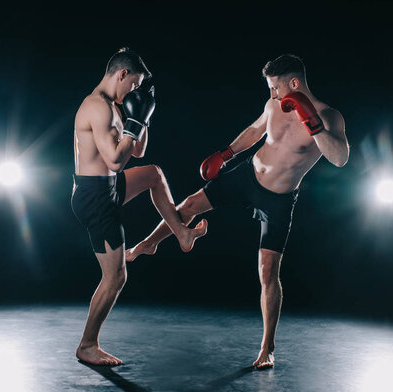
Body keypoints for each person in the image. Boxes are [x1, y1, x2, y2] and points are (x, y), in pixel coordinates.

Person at [125, 53, 349, 368]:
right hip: (247, 176)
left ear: (294, 83)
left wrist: (311, 122)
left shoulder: (328, 116)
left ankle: (267, 349)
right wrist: (227, 153)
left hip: (279, 199)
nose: (272, 94)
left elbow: (339, 157)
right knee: (188, 204)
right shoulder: (274, 105)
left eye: (275, 87)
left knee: (268, 272)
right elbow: (256, 131)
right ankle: (149, 244)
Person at [71, 47, 208, 366]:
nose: (134, 91)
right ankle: (87, 345)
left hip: (106, 186)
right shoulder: (96, 107)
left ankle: (182, 235)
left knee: (153, 175)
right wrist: (133, 120)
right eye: (133, 85)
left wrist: (142, 115)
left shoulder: (116, 105)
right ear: (121, 75)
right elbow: (116, 160)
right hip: (95, 198)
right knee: (116, 277)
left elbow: (139, 152)